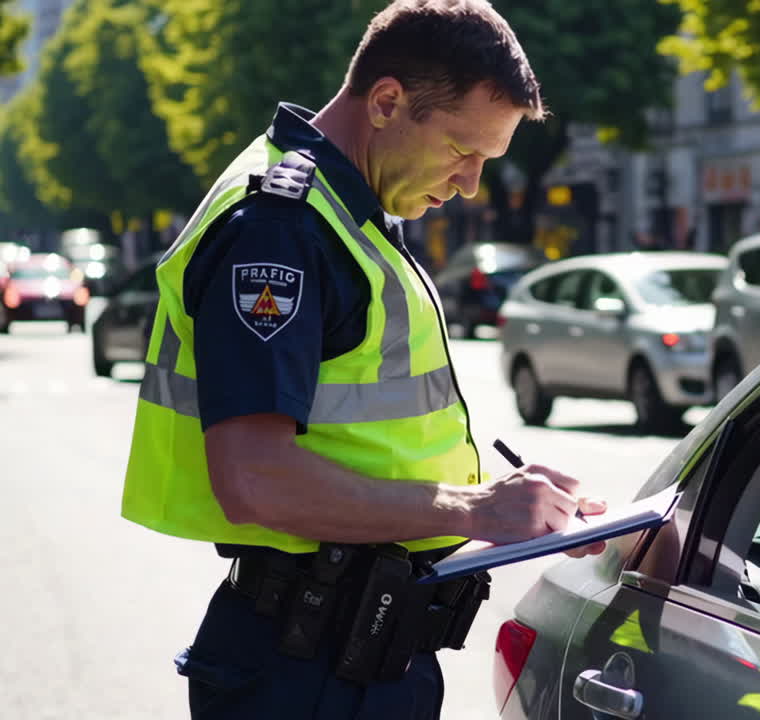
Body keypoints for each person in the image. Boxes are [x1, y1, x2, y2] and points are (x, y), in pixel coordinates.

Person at [120, 2, 604, 718]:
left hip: (347, 653)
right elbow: (253, 479)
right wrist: (475, 508)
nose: (471, 183)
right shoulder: (280, 229)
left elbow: (361, 432)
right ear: (386, 101)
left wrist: (510, 498)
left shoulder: (349, 213)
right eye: (462, 151)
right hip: (308, 665)